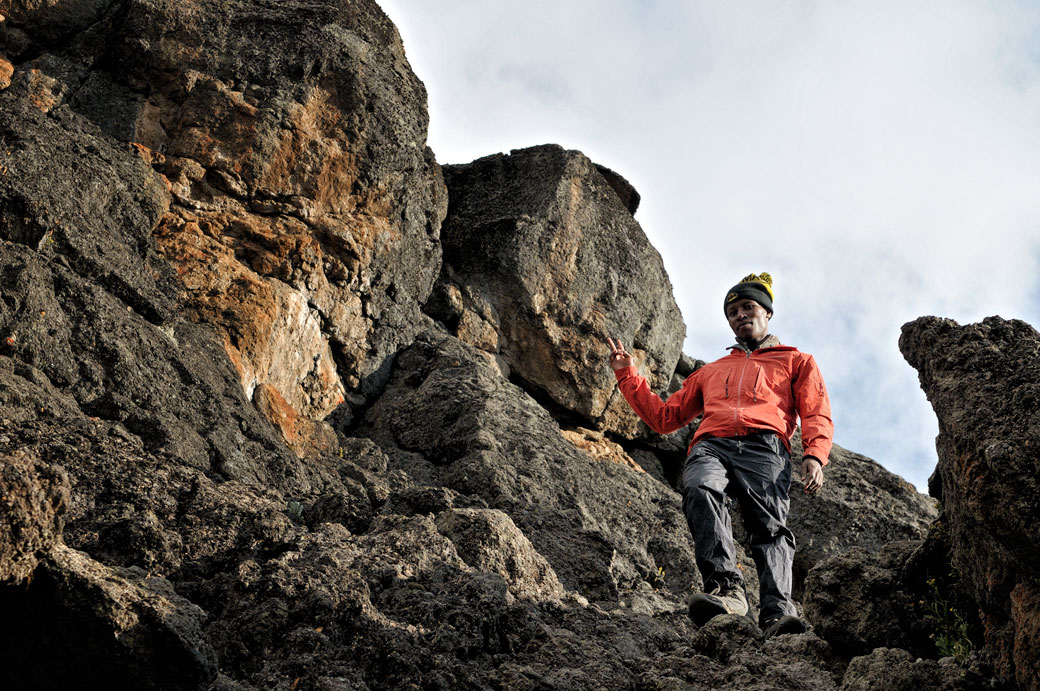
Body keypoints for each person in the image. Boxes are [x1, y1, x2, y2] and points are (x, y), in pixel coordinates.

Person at [607, 272, 832, 638]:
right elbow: (665, 418)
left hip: (765, 447)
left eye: (748, 307)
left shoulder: (797, 361)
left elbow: (816, 410)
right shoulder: (710, 371)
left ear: (767, 313)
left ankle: (778, 614)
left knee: (770, 528)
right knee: (699, 488)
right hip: (711, 444)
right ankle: (727, 590)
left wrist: (815, 455)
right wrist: (627, 376)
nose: (740, 315)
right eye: (732, 311)